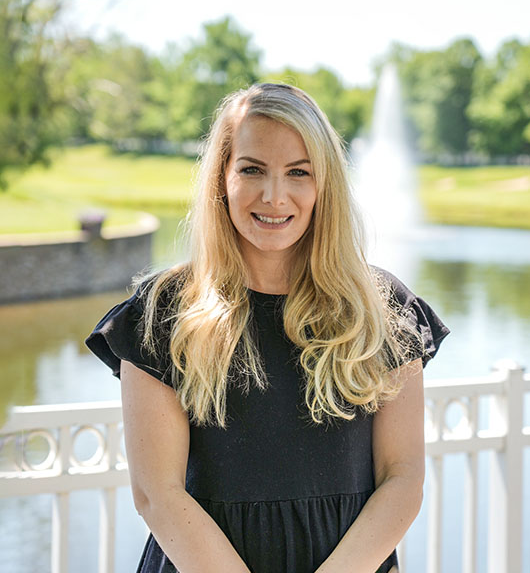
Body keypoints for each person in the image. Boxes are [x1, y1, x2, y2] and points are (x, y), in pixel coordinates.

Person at [85, 82, 450, 573]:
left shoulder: (382, 309)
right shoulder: (163, 313)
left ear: (324, 185)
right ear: (222, 179)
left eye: (298, 172)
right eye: (252, 169)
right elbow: (158, 494)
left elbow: (402, 478)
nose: (275, 196)